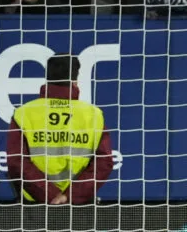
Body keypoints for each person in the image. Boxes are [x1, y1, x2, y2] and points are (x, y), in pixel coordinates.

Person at [6, 54, 114, 204]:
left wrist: (50, 194)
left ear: (48, 78)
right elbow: (104, 163)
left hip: (34, 203)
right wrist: (69, 195)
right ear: (75, 81)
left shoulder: (24, 113)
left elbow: (16, 161)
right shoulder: (93, 114)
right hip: (79, 203)